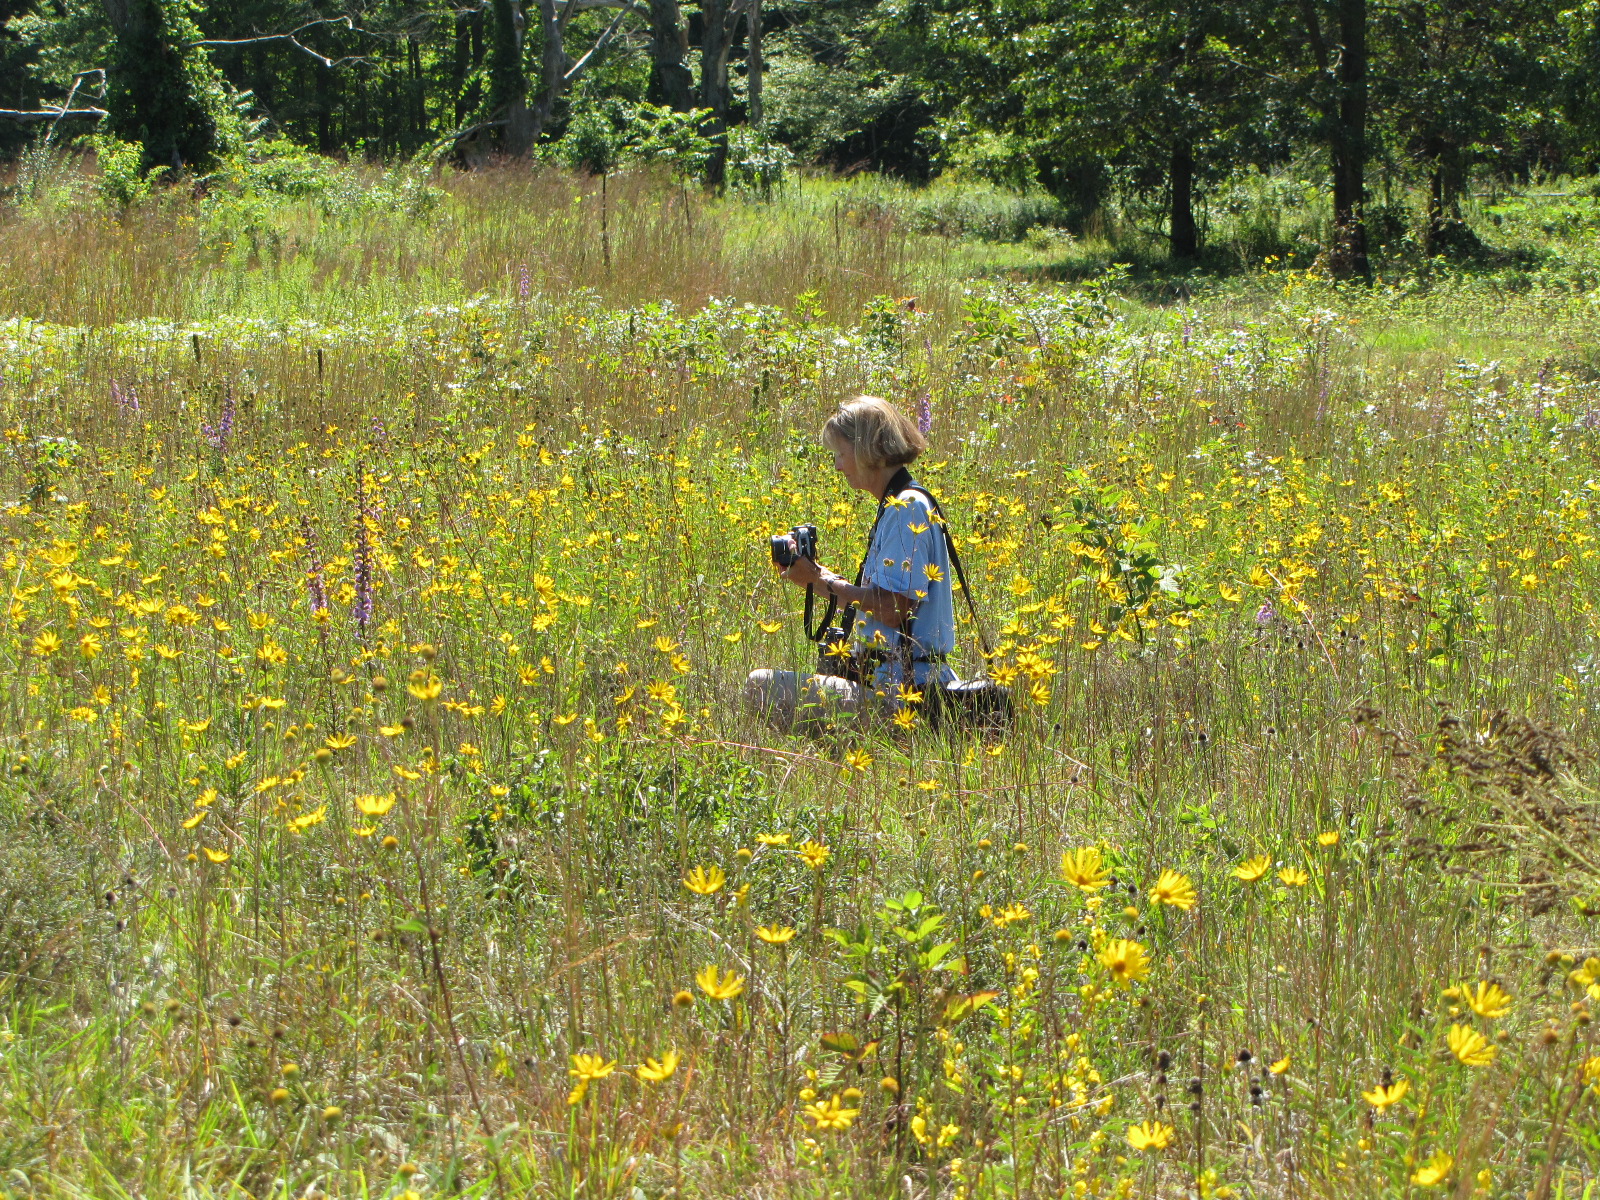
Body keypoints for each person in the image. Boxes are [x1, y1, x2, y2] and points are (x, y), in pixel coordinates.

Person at [745, 395, 958, 731]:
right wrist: (819, 574)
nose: (838, 466)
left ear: (865, 451)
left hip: (904, 695)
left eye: (841, 454)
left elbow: (894, 610)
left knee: (760, 686)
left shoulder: (907, 509)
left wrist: (818, 582)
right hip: (895, 683)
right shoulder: (899, 505)